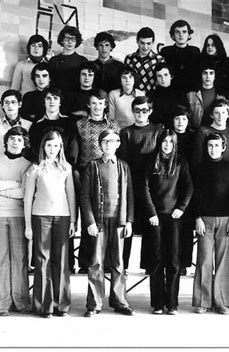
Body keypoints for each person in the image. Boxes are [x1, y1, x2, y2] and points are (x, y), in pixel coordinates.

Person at [80, 129, 135, 316]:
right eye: (105, 142)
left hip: (118, 222)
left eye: (112, 141)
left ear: (118, 143)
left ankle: (119, 301)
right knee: (96, 263)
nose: (108, 145)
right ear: (100, 144)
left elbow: (129, 196)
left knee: (119, 263)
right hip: (99, 223)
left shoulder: (123, 166)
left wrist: (128, 221)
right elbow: (85, 197)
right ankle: (94, 304)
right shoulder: (92, 166)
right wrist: (90, 221)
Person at [24, 129, 76, 318]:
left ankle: (61, 305)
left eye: (56, 145)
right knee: (42, 260)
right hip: (41, 217)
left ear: (60, 146)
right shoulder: (35, 168)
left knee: (61, 260)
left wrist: (73, 220)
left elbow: (71, 195)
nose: (52, 149)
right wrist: (28, 225)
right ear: (43, 146)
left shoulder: (66, 168)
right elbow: (28, 198)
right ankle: (45, 306)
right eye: (49, 145)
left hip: (62, 217)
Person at [0, 126, 32, 316]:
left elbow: (25, 193)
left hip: (19, 215)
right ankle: (2, 304)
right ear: (6, 141)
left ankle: (21, 302)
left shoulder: (27, 164)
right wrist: (13, 185)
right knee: (1, 259)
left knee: (19, 259)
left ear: (24, 143)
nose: (15, 142)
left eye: (19, 139)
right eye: (12, 138)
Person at [143, 129, 193, 315]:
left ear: (174, 144)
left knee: (173, 261)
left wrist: (181, 208)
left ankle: (172, 303)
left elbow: (188, 187)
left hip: (174, 217)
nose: (167, 145)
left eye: (170, 142)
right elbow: (144, 188)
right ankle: (157, 303)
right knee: (156, 260)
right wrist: (151, 213)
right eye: (164, 141)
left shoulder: (180, 162)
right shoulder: (150, 161)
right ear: (159, 142)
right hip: (155, 218)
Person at [75, 89, 120, 273]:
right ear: (89, 105)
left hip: (107, 172)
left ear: (105, 105)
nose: (97, 107)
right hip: (87, 173)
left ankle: (107, 260)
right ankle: (86, 262)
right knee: (89, 216)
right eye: (94, 103)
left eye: (100, 103)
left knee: (105, 218)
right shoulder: (80, 124)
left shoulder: (114, 126)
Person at [192, 133, 229, 314]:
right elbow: (194, 196)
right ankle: (203, 300)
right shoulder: (199, 168)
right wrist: (197, 218)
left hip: (225, 219)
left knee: (223, 261)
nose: (213, 149)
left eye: (217, 146)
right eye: (210, 146)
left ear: (223, 147)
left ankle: (222, 301)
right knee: (204, 260)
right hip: (205, 220)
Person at [117, 96, 164, 270]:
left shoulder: (158, 130)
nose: (141, 114)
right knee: (128, 223)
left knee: (151, 226)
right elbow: (123, 161)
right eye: (137, 110)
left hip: (152, 185)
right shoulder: (126, 132)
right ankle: (123, 264)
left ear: (150, 111)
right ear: (132, 111)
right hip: (132, 184)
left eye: (144, 110)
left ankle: (150, 265)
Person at [171, 105, 196, 274]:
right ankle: (171, 260)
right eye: (177, 118)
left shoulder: (194, 137)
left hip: (188, 185)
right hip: (169, 186)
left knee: (186, 228)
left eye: (184, 119)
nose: (181, 122)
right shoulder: (166, 136)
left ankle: (184, 263)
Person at [27, 87, 78, 165]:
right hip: (42, 167)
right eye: (48, 98)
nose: (52, 101)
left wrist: (66, 166)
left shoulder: (69, 123)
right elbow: (33, 148)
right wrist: (41, 164)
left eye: (55, 98)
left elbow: (73, 148)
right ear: (44, 101)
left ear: (60, 101)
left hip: (64, 167)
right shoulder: (37, 124)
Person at [0, 89, 32, 166]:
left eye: (13, 102)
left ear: (20, 104)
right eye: (6, 103)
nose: (10, 106)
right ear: (2, 105)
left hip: (21, 170)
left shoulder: (29, 125)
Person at [193, 98, 229, 167]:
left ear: (228, 114)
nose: (220, 116)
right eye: (217, 113)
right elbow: (198, 157)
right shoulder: (204, 131)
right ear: (211, 115)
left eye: (223, 113)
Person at [160, 19, 201, 94]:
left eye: (184, 32)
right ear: (173, 35)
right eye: (177, 32)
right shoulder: (166, 51)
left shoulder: (195, 51)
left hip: (191, 93)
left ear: (189, 34)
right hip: (170, 92)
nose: (181, 34)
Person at [124, 27, 166, 95]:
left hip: (152, 99)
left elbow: (162, 83)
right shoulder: (129, 59)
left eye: (148, 43)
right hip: (132, 98)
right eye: (142, 43)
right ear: (137, 41)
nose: (145, 47)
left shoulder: (159, 60)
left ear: (153, 43)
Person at [49, 25, 88, 94]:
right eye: (67, 39)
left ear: (76, 41)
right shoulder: (54, 61)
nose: (70, 42)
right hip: (57, 99)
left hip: (75, 99)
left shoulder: (83, 61)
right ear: (62, 41)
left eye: (73, 39)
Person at [147, 63, 188, 128]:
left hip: (176, 128)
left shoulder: (180, 93)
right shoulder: (151, 94)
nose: (163, 79)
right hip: (157, 129)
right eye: (159, 76)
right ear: (156, 78)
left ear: (171, 76)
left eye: (166, 75)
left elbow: (183, 114)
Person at [187, 59, 224, 130]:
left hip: (216, 134)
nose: (208, 76)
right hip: (195, 132)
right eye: (205, 73)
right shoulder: (191, 95)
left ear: (215, 75)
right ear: (200, 75)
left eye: (211, 73)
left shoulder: (221, 96)